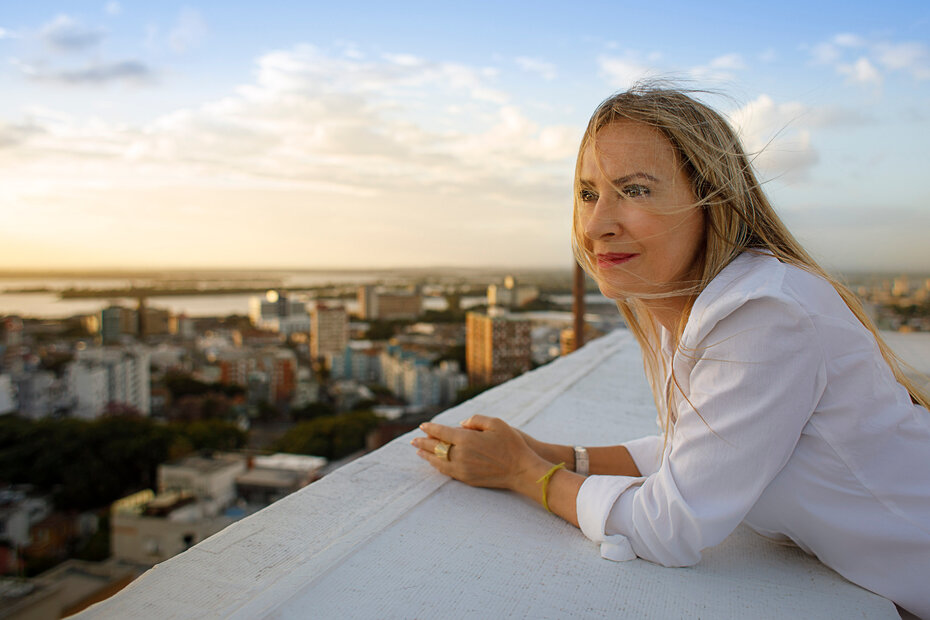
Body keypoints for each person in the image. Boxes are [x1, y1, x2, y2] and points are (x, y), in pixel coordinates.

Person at [411, 86, 930, 617]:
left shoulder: (764, 314)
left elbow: (670, 526)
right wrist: (554, 453)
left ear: (712, 201)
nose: (595, 226)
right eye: (589, 194)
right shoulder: (685, 305)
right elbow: (697, 449)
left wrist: (522, 472)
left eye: (634, 190)